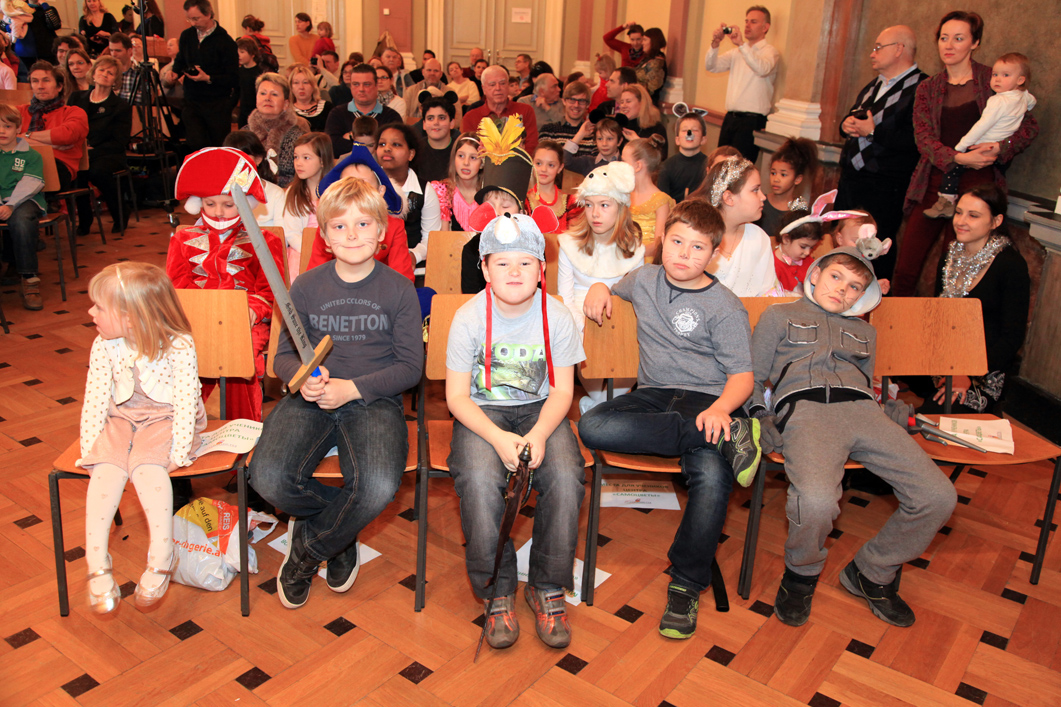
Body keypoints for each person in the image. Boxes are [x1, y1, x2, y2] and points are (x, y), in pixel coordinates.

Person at [578, 199, 763, 639]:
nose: (684, 254)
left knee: (713, 479)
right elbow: (615, 285)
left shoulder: (725, 306)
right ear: (662, 240)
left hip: (709, 403)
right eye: (677, 242)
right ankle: (724, 438)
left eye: (697, 248)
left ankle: (685, 584)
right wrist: (599, 287)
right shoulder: (644, 279)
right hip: (655, 397)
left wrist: (721, 411)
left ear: (714, 253)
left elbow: (743, 378)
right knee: (592, 425)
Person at [750, 247, 957, 628]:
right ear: (815, 275)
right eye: (836, 277)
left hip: (864, 413)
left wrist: (890, 411)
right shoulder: (778, 316)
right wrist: (759, 416)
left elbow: (867, 385)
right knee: (815, 502)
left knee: (938, 496)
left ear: (862, 295)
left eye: (854, 287)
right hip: (807, 411)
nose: (842, 290)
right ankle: (800, 575)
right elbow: (750, 376)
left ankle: (872, 571)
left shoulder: (865, 331)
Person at [249, 177, 423, 610]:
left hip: (373, 399)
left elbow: (410, 367)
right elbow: (283, 357)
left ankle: (311, 546)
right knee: (267, 477)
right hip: (311, 398)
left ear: (382, 231)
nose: (352, 235)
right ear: (324, 236)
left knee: (378, 485)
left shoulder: (399, 289)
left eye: (363, 224)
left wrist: (353, 389)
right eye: (340, 226)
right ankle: (339, 532)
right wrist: (302, 377)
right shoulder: (306, 286)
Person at [446, 207, 585, 651]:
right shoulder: (468, 318)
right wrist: (497, 437)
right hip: (482, 412)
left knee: (566, 475)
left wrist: (539, 435)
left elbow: (563, 391)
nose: (514, 271)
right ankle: (497, 589)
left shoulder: (557, 316)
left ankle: (547, 584)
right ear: (485, 269)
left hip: (542, 409)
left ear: (542, 270)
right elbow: (456, 398)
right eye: (502, 262)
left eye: (526, 262)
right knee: (479, 478)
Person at [78, 262, 207, 615]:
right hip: (122, 416)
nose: (91, 313)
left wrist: (179, 452)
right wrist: (92, 450)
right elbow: (95, 399)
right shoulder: (103, 344)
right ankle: (96, 562)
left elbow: (184, 403)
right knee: (106, 470)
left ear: (131, 317)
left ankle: (162, 555)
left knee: (147, 469)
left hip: (167, 417)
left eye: (99, 307)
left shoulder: (179, 345)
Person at [895, 11, 1037, 296]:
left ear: (975, 43)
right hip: (932, 183)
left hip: (977, 187)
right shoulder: (928, 88)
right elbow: (923, 138)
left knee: (953, 272)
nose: (949, 45)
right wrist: (957, 158)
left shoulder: (994, 79)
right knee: (906, 268)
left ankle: (943, 325)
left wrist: (1001, 147)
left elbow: (1028, 127)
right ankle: (896, 323)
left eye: (958, 38)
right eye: (943, 38)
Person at [167, 147, 285, 421]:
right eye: (210, 204)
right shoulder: (182, 239)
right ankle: (182, 426)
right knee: (182, 360)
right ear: (198, 203)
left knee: (240, 358)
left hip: (246, 322)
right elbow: (176, 287)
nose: (219, 212)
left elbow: (270, 290)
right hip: (194, 320)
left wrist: (252, 311)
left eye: (228, 205)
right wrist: (196, 314)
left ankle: (244, 428)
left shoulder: (265, 241)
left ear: (244, 203)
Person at [910, 185, 1029, 415]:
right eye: (959, 212)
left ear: (996, 221)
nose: (961, 221)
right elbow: (937, 314)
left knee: (930, 417)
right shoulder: (950, 255)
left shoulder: (1011, 265)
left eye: (973, 215)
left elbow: (1012, 337)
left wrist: (969, 372)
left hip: (984, 370)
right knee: (882, 367)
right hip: (944, 358)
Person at [834, 25, 926, 283]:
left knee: (876, 249)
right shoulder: (873, 86)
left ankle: (873, 298)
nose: (872, 53)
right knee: (843, 244)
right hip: (852, 180)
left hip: (885, 186)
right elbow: (857, 117)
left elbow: (918, 140)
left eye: (878, 47)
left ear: (899, 49)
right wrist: (845, 125)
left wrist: (874, 132)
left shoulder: (921, 88)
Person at [556, 161, 643, 411]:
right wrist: (583, 328)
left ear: (621, 207)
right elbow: (565, 297)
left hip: (620, 316)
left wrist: (606, 293)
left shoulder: (635, 248)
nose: (595, 213)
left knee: (634, 345)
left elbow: (637, 297)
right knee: (588, 349)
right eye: (589, 205)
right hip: (581, 320)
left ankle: (598, 408)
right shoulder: (569, 244)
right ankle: (603, 407)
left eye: (604, 205)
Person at [925, 53, 1036, 220]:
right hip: (999, 154)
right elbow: (1032, 101)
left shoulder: (997, 101)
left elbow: (982, 126)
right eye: (995, 74)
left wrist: (961, 147)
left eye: (1005, 75)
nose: (997, 79)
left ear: (1020, 80)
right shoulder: (1024, 96)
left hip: (981, 146)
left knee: (952, 169)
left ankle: (946, 201)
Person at [305, 146, 414, 281]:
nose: (356, 192)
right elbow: (315, 276)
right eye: (347, 186)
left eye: (364, 186)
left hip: (381, 290)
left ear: (380, 191)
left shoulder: (394, 227)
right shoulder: (331, 226)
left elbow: (402, 278)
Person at [690, 156, 781, 296]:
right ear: (729, 198)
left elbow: (767, 292)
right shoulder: (696, 235)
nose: (763, 197)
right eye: (755, 190)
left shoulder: (759, 238)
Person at [704, 6, 780, 164]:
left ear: (765, 27)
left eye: (753, 22)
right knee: (720, 164)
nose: (747, 25)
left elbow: (762, 69)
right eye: (746, 21)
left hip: (751, 121)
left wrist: (741, 45)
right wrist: (715, 43)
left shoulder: (770, 52)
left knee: (740, 169)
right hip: (730, 119)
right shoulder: (736, 53)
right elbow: (711, 66)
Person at [68, 55, 131, 234]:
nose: (105, 74)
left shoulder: (120, 106)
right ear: (93, 74)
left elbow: (120, 141)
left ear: (115, 80)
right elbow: (68, 126)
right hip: (79, 151)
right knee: (77, 172)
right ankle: (85, 220)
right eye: (101, 70)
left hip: (107, 153)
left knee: (97, 172)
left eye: (110, 73)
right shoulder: (76, 98)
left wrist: (92, 149)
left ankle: (120, 212)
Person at [170, 0, 239, 152]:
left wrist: (208, 78)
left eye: (196, 18)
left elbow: (233, 77)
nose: (193, 23)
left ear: (208, 14)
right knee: (195, 144)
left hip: (217, 103)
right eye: (189, 19)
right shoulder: (187, 36)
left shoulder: (225, 42)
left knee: (217, 147)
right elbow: (181, 58)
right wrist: (175, 71)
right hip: (192, 100)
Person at [0, 103, 46, 309]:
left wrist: (10, 205)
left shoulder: (31, 155)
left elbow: (31, 183)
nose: (2, 131)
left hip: (25, 200)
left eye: (7, 126)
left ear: (18, 128)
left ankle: (29, 279)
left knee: (21, 219)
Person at [375, 122, 440, 266]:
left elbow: (431, 237)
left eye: (396, 144)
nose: (387, 149)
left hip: (414, 267)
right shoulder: (367, 185)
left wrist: (413, 256)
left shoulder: (425, 190)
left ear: (411, 154)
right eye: (382, 144)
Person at [19, 61, 88, 193]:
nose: (40, 86)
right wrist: (50, 145)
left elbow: (66, 135)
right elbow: (5, 138)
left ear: (59, 86)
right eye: (35, 81)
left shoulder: (74, 112)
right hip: (19, 162)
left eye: (46, 80)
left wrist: (25, 136)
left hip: (57, 167)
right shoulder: (19, 111)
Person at [280, 132, 333, 277]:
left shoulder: (335, 191)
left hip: (331, 252)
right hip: (301, 252)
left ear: (322, 161)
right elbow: (291, 232)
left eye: (306, 158)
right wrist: (310, 250)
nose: (298, 163)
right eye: (296, 157)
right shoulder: (294, 192)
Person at [246, 72, 310, 188]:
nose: (267, 98)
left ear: (286, 104)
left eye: (274, 94)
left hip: (289, 193)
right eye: (263, 93)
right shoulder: (245, 133)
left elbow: (307, 178)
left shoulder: (299, 135)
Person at [325, 63, 403, 157]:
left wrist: (353, 140)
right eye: (356, 84)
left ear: (376, 86)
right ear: (350, 86)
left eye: (367, 84)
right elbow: (332, 147)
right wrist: (375, 144)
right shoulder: (337, 114)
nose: (361, 89)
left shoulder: (391, 117)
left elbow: (394, 148)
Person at [462, 65, 538, 153]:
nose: (498, 88)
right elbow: (470, 152)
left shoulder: (525, 111)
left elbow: (531, 147)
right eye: (492, 84)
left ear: (508, 86)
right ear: (484, 89)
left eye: (502, 83)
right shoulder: (470, 117)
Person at [755, 137, 818, 239]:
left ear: (797, 179)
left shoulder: (801, 211)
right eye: (773, 173)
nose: (776, 179)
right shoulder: (759, 203)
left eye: (783, 175)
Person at [222, 129, 285, 229]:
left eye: (243, 157)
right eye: (232, 157)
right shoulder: (219, 192)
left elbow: (281, 232)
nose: (237, 162)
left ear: (258, 159)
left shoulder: (276, 193)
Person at [623, 138, 672, 259]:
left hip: (645, 260)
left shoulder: (660, 200)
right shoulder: (624, 195)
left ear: (638, 166)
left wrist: (632, 256)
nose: (620, 166)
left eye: (623, 162)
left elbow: (658, 244)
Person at [430, 132, 482, 231]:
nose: (466, 163)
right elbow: (443, 235)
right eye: (461, 156)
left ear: (482, 163)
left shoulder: (489, 194)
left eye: (473, 157)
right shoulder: (444, 191)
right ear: (454, 159)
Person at [526, 140, 580, 234]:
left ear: (560, 168)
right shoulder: (524, 201)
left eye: (551, 165)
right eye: (538, 163)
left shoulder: (571, 203)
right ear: (532, 164)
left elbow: (574, 237)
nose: (543, 169)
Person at [539, 80, 594, 159]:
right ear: (564, 101)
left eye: (581, 101)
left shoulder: (594, 134)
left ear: (588, 104)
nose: (576, 105)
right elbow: (547, 161)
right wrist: (580, 135)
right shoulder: (548, 130)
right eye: (572, 100)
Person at [772, 209, 823, 294]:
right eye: (803, 247)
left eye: (811, 247)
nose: (807, 252)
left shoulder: (808, 261)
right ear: (786, 239)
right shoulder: (772, 265)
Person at [414, 95, 459, 184]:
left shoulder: (460, 150)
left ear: (451, 123)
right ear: (424, 124)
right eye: (430, 118)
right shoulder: (416, 151)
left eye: (441, 118)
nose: (436, 123)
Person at [617, 85, 667, 159]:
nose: (623, 106)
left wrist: (637, 141)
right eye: (621, 102)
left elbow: (660, 158)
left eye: (628, 101)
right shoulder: (618, 127)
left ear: (642, 103)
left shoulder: (657, 129)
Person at [288, 63, 332, 133]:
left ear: (313, 86)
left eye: (305, 82)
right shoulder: (287, 111)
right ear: (291, 87)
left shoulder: (328, 108)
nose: (301, 87)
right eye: (296, 83)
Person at [235, 37, 262, 129]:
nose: (238, 55)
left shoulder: (259, 72)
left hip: (256, 112)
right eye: (237, 52)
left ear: (252, 54)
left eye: (242, 52)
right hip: (243, 112)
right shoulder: (239, 71)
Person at [107, 32, 141, 105]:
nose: (113, 54)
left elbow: (146, 98)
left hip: (134, 110)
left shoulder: (139, 71)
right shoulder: (107, 71)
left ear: (129, 51)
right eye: (111, 50)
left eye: (118, 51)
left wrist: (117, 95)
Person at [636, 28, 667, 102]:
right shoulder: (646, 59)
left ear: (653, 41)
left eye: (645, 40)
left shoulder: (657, 63)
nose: (642, 43)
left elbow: (652, 89)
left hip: (647, 102)